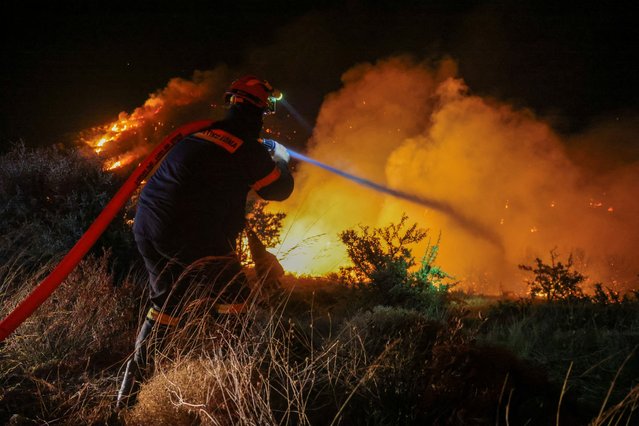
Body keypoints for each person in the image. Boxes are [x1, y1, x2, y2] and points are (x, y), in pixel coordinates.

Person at [116, 75, 294, 408]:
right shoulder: (248, 149)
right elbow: (278, 190)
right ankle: (233, 394)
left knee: (166, 303)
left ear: (231, 102)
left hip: (148, 227)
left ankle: (128, 396)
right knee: (235, 300)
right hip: (193, 236)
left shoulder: (201, 134)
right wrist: (281, 159)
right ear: (261, 108)